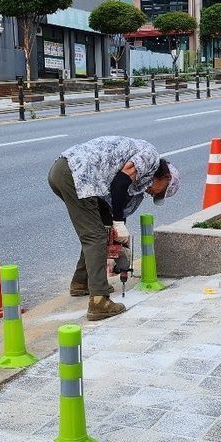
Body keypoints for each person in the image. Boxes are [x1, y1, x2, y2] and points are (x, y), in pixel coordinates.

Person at [49, 136, 180, 321]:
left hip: (67, 173)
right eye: (162, 191)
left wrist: (117, 236)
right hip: (75, 172)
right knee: (95, 237)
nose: (154, 194)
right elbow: (119, 183)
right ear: (166, 177)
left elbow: (112, 209)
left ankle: (82, 282)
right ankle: (99, 302)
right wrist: (117, 223)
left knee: (97, 231)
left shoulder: (138, 188)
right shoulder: (150, 157)